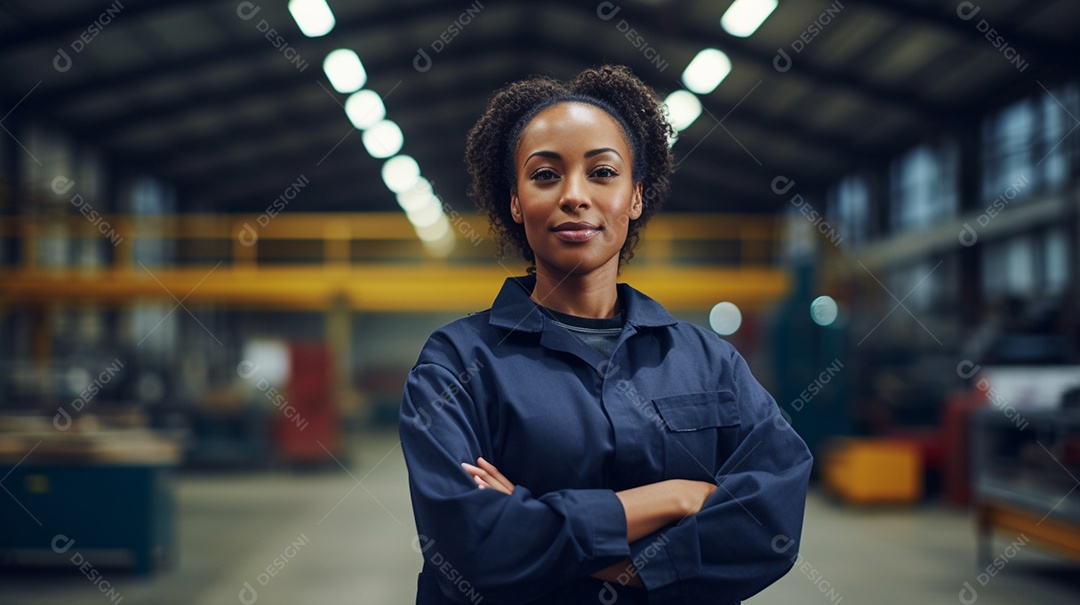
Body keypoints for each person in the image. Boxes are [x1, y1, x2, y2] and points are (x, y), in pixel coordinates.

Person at [400, 65, 812, 605]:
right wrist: (674, 498)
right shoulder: (456, 365)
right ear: (516, 201)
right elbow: (471, 547)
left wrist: (565, 544)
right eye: (546, 175)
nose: (574, 195)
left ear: (636, 196)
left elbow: (771, 524)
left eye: (602, 173)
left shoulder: (709, 362)